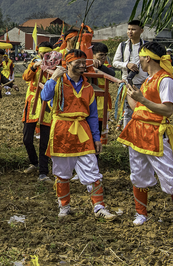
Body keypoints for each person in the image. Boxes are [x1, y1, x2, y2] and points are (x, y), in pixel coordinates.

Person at [118, 42, 173, 232]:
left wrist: (141, 98)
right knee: (138, 174)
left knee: (170, 175)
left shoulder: (165, 80)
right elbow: (140, 109)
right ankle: (141, 214)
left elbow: (167, 111)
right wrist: (131, 95)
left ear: (147, 58)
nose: (138, 62)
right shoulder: (149, 79)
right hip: (137, 132)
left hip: (155, 134)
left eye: (140, 58)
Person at [40, 49, 116, 220]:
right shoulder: (57, 82)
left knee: (92, 170)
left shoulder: (88, 86)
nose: (82, 66)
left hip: (83, 132)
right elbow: (45, 96)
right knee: (62, 172)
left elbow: (93, 115)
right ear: (68, 64)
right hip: (61, 131)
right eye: (78, 62)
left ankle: (99, 206)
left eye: (84, 62)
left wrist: (96, 138)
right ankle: (64, 207)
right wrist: (53, 78)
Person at [20, 42, 54, 182]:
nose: (43, 56)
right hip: (33, 102)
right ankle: (34, 163)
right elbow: (26, 77)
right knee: (27, 138)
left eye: (47, 54)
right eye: (42, 53)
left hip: (47, 105)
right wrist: (34, 67)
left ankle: (43, 172)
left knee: (44, 141)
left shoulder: (56, 65)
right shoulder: (34, 63)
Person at [112, 20, 147, 128]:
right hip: (128, 83)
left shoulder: (146, 46)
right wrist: (127, 65)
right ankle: (127, 137)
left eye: (133, 29)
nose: (130, 32)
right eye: (128, 29)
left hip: (144, 83)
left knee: (144, 110)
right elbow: (115, 62)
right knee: (127, 111)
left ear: (141, 31)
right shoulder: (123, 45)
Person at [91, 42, 115, 144]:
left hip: (102, 102)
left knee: (99, 130)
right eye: (101, 55)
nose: (103, 57)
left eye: (105, 55)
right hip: (91, 101)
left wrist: (100, 67)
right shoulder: (87, 64)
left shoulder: (106, 66)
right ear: (93, 54)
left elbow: (112, 75)